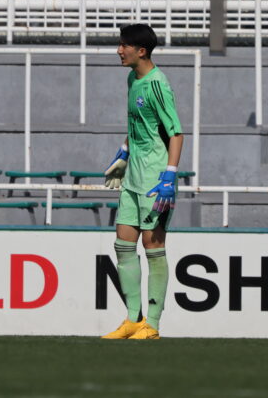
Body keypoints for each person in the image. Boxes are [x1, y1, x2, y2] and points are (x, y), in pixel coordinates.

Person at [101, 24, 183, 340]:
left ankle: (153, 324)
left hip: (155, 179)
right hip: (133, 177)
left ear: (141, 51)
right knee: (123, 243)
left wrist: (170, 175)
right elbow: (137, 124)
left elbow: (176, 133)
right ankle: (133, 319)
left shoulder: (158, 85)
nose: (119, 50)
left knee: (153, 245)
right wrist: (124, 152)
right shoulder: (132, 79)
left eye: (124, 45)